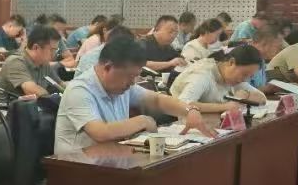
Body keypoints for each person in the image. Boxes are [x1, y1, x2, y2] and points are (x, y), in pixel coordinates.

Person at [54, 36, 215, 154]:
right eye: (130, 76)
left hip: (111, 160)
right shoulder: (79, 90)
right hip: (76, 168)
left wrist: (189, 110)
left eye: (135, 76)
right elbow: (101, 132)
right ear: (108, 67)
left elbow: (157, 100)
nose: (132, 83)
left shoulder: (120, 85)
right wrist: (143, 120)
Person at [169, 45, 267, 113]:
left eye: (249, 76)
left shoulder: (233, 77)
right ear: (231, 63)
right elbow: (182, 104)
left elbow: (262, 99)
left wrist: (246, 94)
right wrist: (225, 107)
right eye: (244, 74)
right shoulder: (203, 75)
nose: (245, 80)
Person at [0, 24, 60, 98]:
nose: (54, 54)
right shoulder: (15, 62)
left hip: (35, 104)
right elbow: (34, 92)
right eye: (52, 50)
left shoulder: (43, 63)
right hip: (9, 105)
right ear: (36, 47)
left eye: (56, 50)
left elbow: (60, 85)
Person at [246, 28, 287, 94]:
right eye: (277, 47)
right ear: (264, 44)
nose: (279, 51)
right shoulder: (243, 59)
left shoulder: (260, 59)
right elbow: (239, 93)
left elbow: (259, 85)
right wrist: (264, 89)